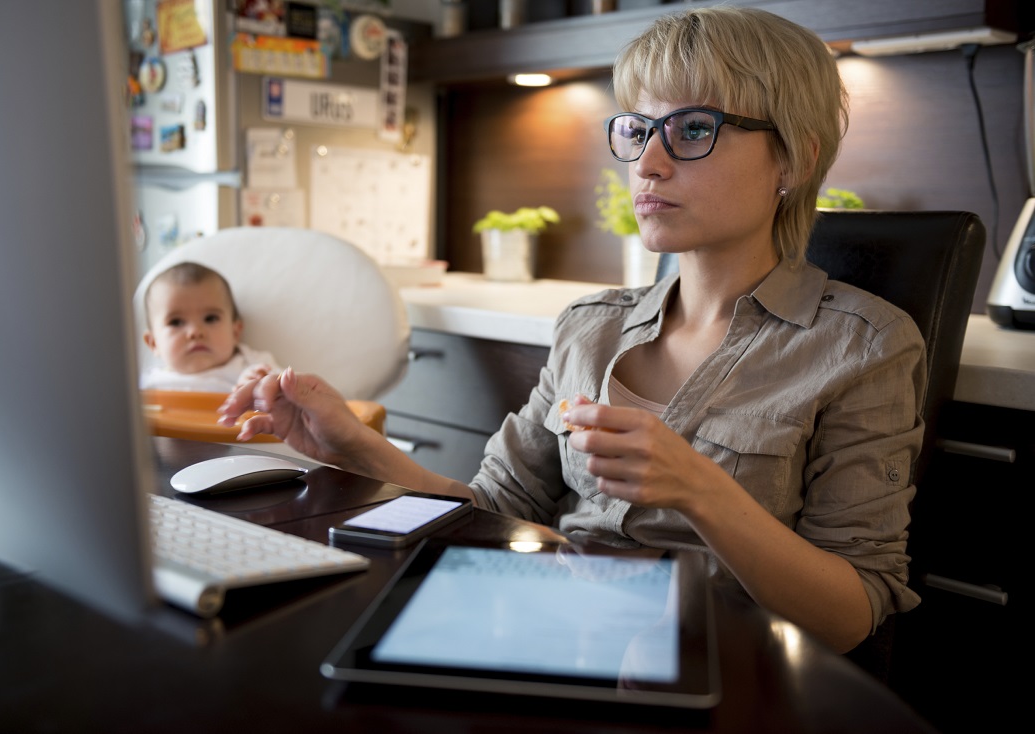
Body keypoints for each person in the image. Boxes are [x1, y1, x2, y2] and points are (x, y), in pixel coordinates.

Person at [219, 6, 923, 654]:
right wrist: (353, 444)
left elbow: (851, 614)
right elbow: (492, 511)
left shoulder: (863, 347)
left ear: (794, 159)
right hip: (555, 632)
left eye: (692, 130)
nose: (647, 164)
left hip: (719, 663)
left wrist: (701, 491)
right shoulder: (591, 327)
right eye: (638, 131)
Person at [140, 261, 279, 392]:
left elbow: (287, 392)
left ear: (235, 332)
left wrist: (261, 385)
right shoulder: (147, 384)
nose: (195, 332)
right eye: (176, 322)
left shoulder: (252, 364)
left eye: (210, 319)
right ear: (153, 343)